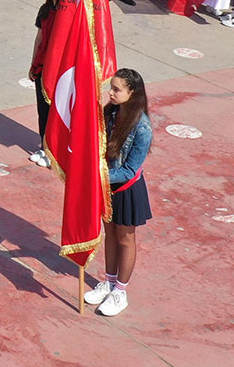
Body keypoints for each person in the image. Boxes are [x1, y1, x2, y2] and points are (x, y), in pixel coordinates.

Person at [84, 68, 153, 318]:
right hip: (106, 184)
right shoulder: (110, 113)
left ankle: (120, 292)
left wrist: (95, 175)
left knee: (125, 238)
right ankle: (109, 281)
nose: (110, 93)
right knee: (110, 235)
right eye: (111, 88)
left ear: (132, 93)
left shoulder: (142, 128)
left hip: (126, 189)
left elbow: (129, 170)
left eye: (116, 89)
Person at [27, 0, 65, 168]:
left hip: (57, 70)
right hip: (42, 67)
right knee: (42, 110)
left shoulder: (66, 16)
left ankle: (54, 150)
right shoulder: (45, 10)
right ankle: (44, 146)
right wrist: (33, 62)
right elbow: (39, 38)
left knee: (54, 111)